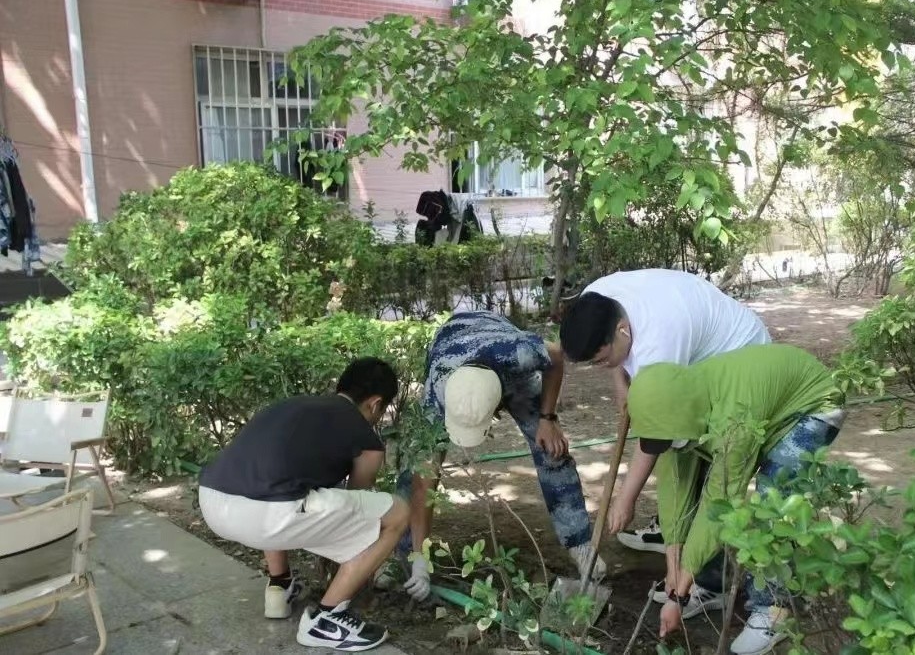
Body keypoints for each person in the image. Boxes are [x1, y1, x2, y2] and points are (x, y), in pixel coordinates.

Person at [558, 269, 769, 613]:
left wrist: (625, 500)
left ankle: (707, 582)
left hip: (738, 357)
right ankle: (670, 536)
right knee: (680, 462)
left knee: (705, 471)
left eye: (601, 359)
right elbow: (615, 354)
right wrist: (619, 381)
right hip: (695, 350)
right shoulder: (596, 300)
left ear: (622, 331)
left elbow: (656, 438)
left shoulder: (660, 346)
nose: (601, 365)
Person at [627, 343, 847, 655]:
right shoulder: (673, 410)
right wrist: (674, 569)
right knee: (696, 479)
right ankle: (712, 585)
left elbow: (721, 501)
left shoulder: (733, 426)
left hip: (812, 406)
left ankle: (774, 609)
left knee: (774, 500)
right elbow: (674, 490)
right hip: (766, 406)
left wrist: (678, 592)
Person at [388, 310, 605, 602]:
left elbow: (555, 356)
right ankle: (404, 555)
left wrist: (548, 418)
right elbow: (423, 483)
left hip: (504, 366)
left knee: (552, 449)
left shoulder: (517, 355)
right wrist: (420, 558)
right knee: (417, 471)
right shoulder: (439, 391)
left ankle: (580, 543)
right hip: (454, 351)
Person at [197, 358, 408, 652]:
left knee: (283, 483)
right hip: (267, 516)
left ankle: (279, 587)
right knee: (397, 513)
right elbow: (361, 505)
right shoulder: (366, 438)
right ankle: (328, 618)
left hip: (212, 500)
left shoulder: (291, 406)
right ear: (375, 403)